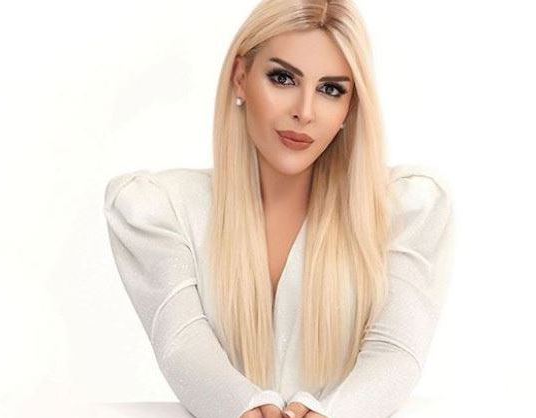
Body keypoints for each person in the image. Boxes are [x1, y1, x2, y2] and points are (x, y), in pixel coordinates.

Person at [103, 1, 454, 417]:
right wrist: (244, 408)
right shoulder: (159, 210)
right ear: (240, 77)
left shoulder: (406, 209)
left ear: (351, 107)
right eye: (283, 78)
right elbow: (182, 343)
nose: (304, 111)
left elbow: (396, 351)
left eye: (331, 89)